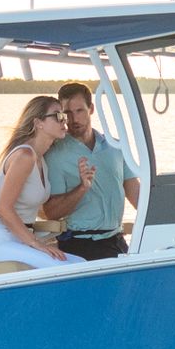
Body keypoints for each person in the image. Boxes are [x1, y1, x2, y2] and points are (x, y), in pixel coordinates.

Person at [0, 95, 86, 270]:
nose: (64, 121)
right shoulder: (25, 156)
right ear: (38, 123)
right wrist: (36, 243)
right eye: (57, 116)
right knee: (68, 268)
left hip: (18, 239)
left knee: (81, 264)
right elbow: (3, 208)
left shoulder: (41, 160)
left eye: (63, 116)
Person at [41, 81, 141, 260]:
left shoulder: (116, 147)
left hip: (117, 241)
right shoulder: (54, 155)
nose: (73, 119)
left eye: (79, 111)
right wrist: (81, 188)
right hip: (80, 244)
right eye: (67, 113)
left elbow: (136, 195)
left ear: (91, 109)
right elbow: (51, 212)